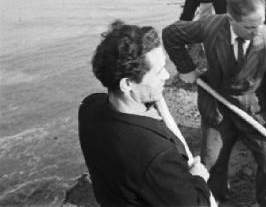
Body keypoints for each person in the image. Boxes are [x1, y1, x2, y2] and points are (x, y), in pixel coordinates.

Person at [162, 0, 266, 207]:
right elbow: (171, 34)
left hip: (252, 110)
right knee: (212, 163)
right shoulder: (212, 25)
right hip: (217, 106)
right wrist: (187, 68)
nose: (258, 31)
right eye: (250, 27)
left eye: (261, 23)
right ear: (231, 20)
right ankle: (215, 200)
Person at [79, 20, 213, 207]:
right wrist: (198, 178)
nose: (166, 75)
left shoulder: (89, 108)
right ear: (127, 84)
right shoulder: (157, 154)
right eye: (158, 71)